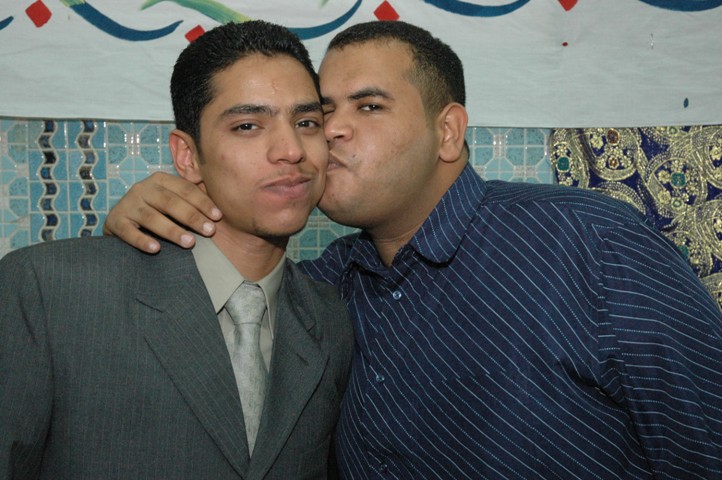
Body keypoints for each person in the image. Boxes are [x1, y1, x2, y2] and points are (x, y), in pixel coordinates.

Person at [103, 20, 722, 479]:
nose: (330, 131)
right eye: (322, 114)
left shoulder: (588, 242)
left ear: (447, 131)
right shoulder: (324, 286)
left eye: (368, 106)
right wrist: (148, 219)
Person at [0, 21, 353, 479]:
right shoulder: (50, 291)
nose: (290, 149)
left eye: (306, 123)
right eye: (247, 126)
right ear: (187, 156)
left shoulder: (330, 318)